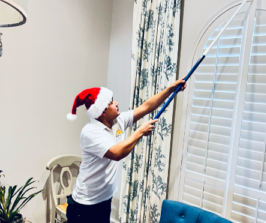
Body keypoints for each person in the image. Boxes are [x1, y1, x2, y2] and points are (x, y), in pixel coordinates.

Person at [65, 79, 186, 223]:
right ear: (102, 111)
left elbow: (146, 106)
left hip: (104, 199)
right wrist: (140, 131)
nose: (116, 103)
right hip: (85, 205)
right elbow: (116, 153)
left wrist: (171, 89)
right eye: (111, 102)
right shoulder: (90, 132)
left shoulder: (118, 121)